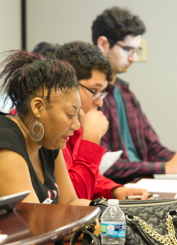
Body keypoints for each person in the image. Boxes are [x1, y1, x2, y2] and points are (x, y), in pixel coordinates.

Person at [92, 6, 177, 183]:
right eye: (128, 50)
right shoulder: (90, 98)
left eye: (136, 51)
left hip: (141, 181)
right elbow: (103, 164)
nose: (134, 58)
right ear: (103, 44)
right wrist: (165, 167)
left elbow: (153, 148)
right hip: (118, 189)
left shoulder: (125, 92)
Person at [0, 50, 90, 205]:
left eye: (77, 116)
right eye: (69, 115)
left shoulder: (47, 140)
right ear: (38, 107)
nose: (76, 125)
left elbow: (70, 203)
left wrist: (111, 211)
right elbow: (30, 219)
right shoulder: (2, 140)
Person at [54, 41, 149, 200]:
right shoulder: (51, 128)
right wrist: (91, 139)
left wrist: (114, 191)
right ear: (66, 84)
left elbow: (89, 175)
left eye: (102, 92)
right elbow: (74, 200)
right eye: (95, 91)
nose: (100, 102)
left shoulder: (76, 121)